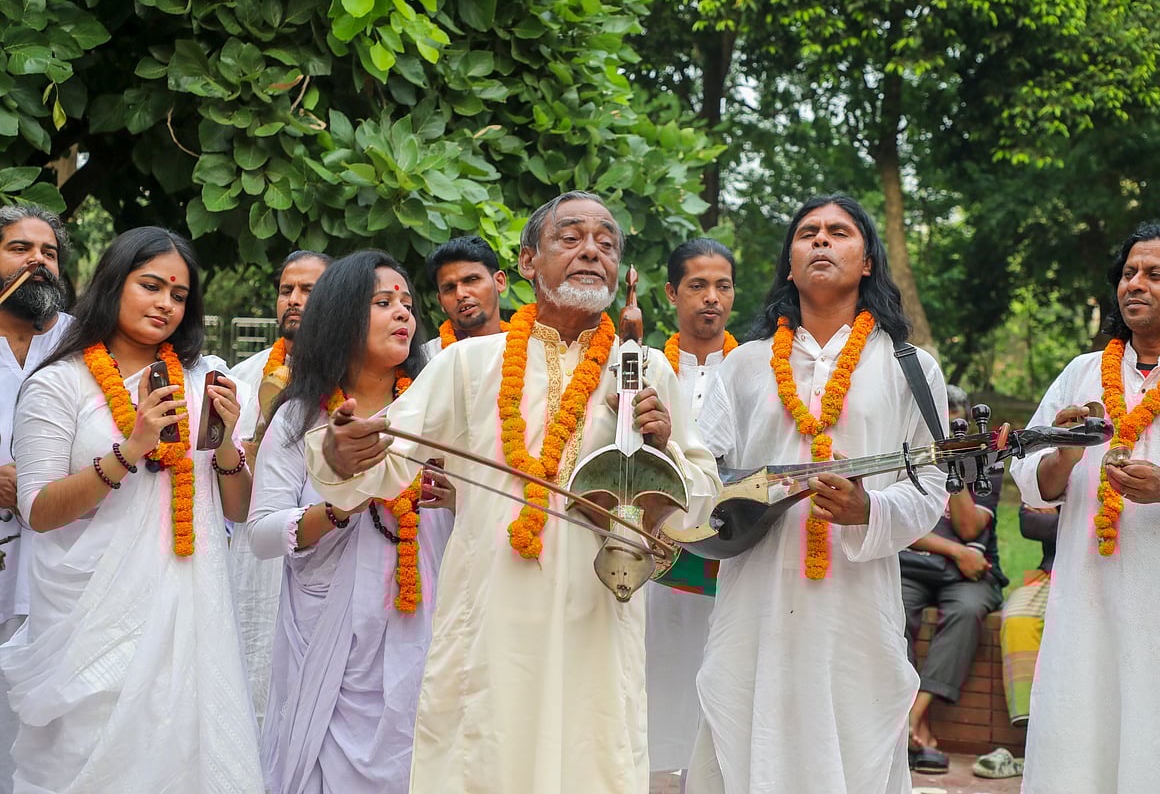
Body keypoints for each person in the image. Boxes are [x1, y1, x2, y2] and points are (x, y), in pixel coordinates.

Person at [306, 190, 720, 793]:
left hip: (598, 615)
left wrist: (664, 450)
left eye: (607, 242)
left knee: (591, 760)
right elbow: (383, 463)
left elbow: (701, 501)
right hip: (490, 621)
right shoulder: (469, 363)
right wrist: (343, 451)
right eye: (571, 237)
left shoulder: (645, 368)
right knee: (484, 761)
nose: (591, 252)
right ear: (527, 262)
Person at [689, 194, 949, 794]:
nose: (822, 241)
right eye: (808, 233)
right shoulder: (746, 364)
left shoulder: (911, 367)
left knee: (854, 734)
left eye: (839, 232)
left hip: (854, 599)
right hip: (756, 595)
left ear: (867, 263)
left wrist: (870, 511)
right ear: (789, 265)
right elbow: (703, 466)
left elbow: (931, 483)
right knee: (745, 721)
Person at [3, 226, 261, 792]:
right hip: (91, 619)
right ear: (114, 282)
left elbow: (239, 511)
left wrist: (223, 443)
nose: (166, 304)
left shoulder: (202, 376)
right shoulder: (59, 384)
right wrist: (129, 451)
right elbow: (39, 510)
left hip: (191, 614)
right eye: (151, 286)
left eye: (179, 294)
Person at [248, 250, 454, 792]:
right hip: (326, 632)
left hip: (420, 624)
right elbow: (263, 534)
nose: (403, 314)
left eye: (407, 303)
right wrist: (341, 505)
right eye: (383, 302)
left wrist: (455, 497)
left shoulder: (435, 412)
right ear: (341, 314)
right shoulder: (299, 415)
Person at [1010, 222, 1160, 793]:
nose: (1134, 284)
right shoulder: (1081, 373)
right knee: (1077, 743)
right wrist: (1065, 456)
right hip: (1085, 610)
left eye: (1155, 274)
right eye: (1128, 273)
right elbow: (1034, 484)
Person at [226, 249, 331, 726]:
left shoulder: (354, 378)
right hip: (254, 558)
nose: (294, 299)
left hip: (324, 556)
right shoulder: (242, 377)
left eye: (308, 290)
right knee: (248, 684)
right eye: (287, 289)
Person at [647, 237, 737, 787]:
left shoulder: (753, 370)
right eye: (697, 286)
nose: (711, 298)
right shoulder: (643, 369)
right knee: (657, 678)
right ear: (671, 293)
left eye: (722, 286)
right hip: (653, 551)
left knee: (718, 678)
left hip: (729, 553)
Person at [0, 204, 74, 792]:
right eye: (20, 250)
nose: (37, 263)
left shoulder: (88, 342)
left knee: (53, 723)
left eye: (48, 253)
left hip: (66, 560)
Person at [900, 384, 1006, 774]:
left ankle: (914, 717)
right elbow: (893, 523)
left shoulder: (988, 463)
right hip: (919, 563)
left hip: (969, 575)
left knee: (967, 610)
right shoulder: (906, 456)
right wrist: (953, 551)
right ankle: (918, 728)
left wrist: (953, 466)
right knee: (892, 607)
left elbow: (967, 526)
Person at [971, 502, 1058, 780]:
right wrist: (1079, 520)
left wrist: (1065, 514)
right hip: (1054, 571)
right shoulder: (1058, 456)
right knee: (1019, 615)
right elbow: (1029, 523)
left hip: (1119, 575)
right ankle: (1032, 733)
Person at [421, 234, 508, 359]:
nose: (460, 294)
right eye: (449, 288)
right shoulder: (426, 359)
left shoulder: (532, 349)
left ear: (499, 282)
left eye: (471, 280)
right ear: (441, 302)